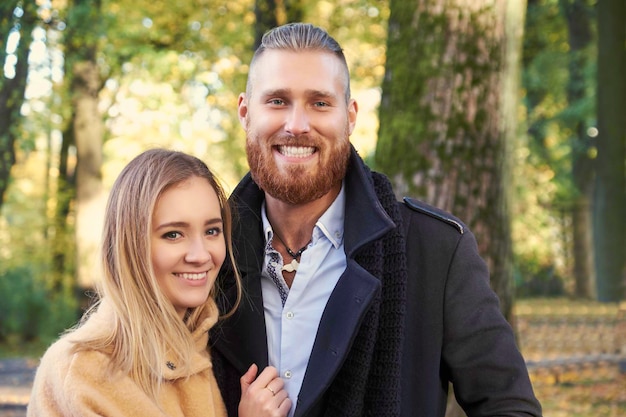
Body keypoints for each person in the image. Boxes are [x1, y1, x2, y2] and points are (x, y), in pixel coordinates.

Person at [209, 22, 542, 417]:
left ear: (350, 117)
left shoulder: (434, 250)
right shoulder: (203, 256)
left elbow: (509, 407)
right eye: (278, 101)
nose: (297, 124)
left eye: (319, 103)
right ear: (246, 112)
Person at [27, 149, 292, 417]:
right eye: (173, 234)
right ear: (131, 244)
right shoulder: (80, 371)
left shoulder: (218, 353)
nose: (201, 255)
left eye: (212, 231)